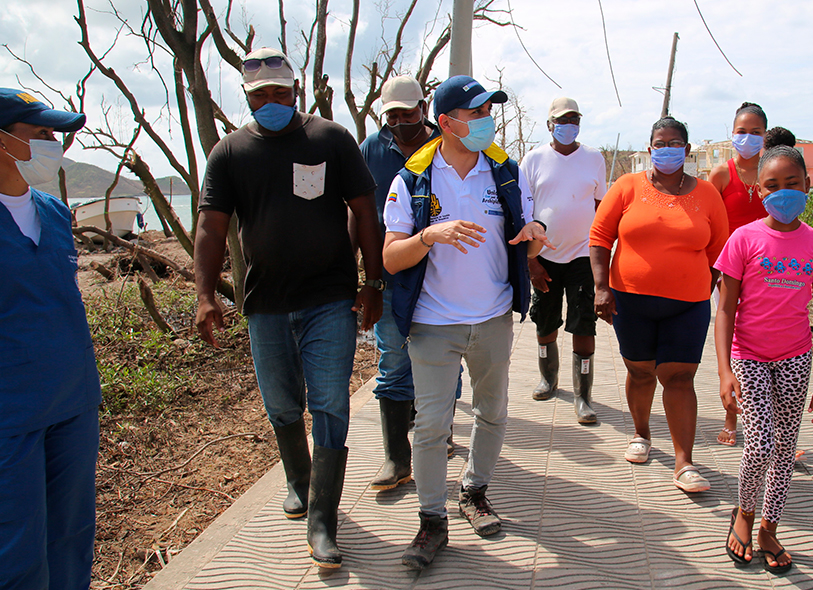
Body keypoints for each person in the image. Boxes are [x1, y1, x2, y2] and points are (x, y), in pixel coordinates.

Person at [194, 47, 383, 569]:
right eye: (260, 95)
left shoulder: (330, 139)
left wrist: (374, 282)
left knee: (329, 404)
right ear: (247, 98)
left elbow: (364, 211)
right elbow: (211, 225)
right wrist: (206, 294)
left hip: (329, 298)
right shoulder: (229, 153)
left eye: (280, 93)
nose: (271, 102)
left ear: (296, 92)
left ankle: (324, 520)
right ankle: (300, 484)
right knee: (281, 406)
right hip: (266, 304)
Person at [383, 75, 551, 570]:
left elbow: (525, 236)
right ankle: (431, 522)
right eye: (476, 114)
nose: (486, 122)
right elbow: (392, 259)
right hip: (433, 323)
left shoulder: (504, 171)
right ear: (446, 122)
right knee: (431, 425)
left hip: (494, 318)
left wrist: (536, 233)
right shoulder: (412, 179)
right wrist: (430, 235)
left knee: (492, 412)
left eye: (487, 112)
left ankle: (474, 491)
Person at [715, 145, 813, 574]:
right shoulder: (743, 239)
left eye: (793, 184)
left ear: (807, 185)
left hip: (795, 359)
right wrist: (724, 370)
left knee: (785, 450)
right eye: (772, 185)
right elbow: (726, 308)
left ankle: (769, 526)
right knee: (761, 444)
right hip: (748, 355)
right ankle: (744, 514)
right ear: (758, 189)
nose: (783, 192)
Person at [591, 116, 729, 493]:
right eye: (659, 143)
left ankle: (684, 463)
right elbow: (600, 237)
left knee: (679, 377)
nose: (666, 149)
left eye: (674, 143)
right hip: (630, 300)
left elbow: (720, 251)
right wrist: (601, 288)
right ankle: (641, 434)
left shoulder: (706, 194)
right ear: (650, 149)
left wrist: (720, 297)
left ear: (686, 149)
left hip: (688, 305)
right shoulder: (627, 186)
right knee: (640, 372)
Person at [0, 89, 100, 590]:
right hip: (11, 412)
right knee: (17, 548)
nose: (53, 143)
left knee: (72, 535)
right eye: (40, 133)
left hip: (73, 400)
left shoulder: (55, 214)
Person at [359, 75, 459, 492]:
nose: (401, 122)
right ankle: (396, 458)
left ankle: (439, 432)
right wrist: (366, 280)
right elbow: (359, 212)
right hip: (392, 271)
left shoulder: (446, 145)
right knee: (393, 361)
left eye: (409, 113)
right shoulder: (371, 150)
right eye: (393, 116)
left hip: (441, 273)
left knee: (446, 359)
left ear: (425, 110)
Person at [520, 96, 607, 424]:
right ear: (549, 125)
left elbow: (602, 210)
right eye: (562, 120)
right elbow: (524, 212)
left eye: (574, 120)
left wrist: (604, 259)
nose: (568, 125)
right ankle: (548, 378)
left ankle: (583, 396)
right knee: (545, 320)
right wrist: (531, 262)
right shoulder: (533, 160)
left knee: (584, 323)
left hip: (583, 255)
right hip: (544, 256)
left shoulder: (593, 159)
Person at [708, 102, 768, 447]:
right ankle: (731, 418)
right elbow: (709, 223)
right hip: (728, 272)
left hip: (769, 273)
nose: (748, 138)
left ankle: (775, 428)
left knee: (768, 344)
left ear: (765, 136)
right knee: (733, 342)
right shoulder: (721, 175)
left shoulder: (772, 173)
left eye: (755, 132)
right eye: (742, 131)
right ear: (732, 134)